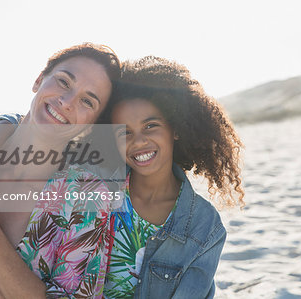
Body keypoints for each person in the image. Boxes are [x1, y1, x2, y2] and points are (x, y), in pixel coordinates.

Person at [0, 43, 122, 298]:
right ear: (38, 80)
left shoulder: (86, 198)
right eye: (64, 82)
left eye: (87, 101)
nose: (66, 102)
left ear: (92, 125)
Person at [102, 56, 244, 298]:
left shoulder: (204, 226)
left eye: (150, 126)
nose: (138, 141)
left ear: (175, 128)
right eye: (124, 132)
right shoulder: (93, 190)